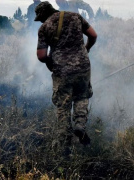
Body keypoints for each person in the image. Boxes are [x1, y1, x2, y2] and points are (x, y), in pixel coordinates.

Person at [35, 1, 97, 155]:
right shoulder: (75, 17)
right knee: (82, 97)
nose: (41, 21)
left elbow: (41, 55)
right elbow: (93, 35)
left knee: (63, 105)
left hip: (62, 71)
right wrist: (86, 49)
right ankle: (80, 124)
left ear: (43, 14)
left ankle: (64, 143)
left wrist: (51, 61)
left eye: (40, 18)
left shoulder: (44, 27)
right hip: (83, 66)